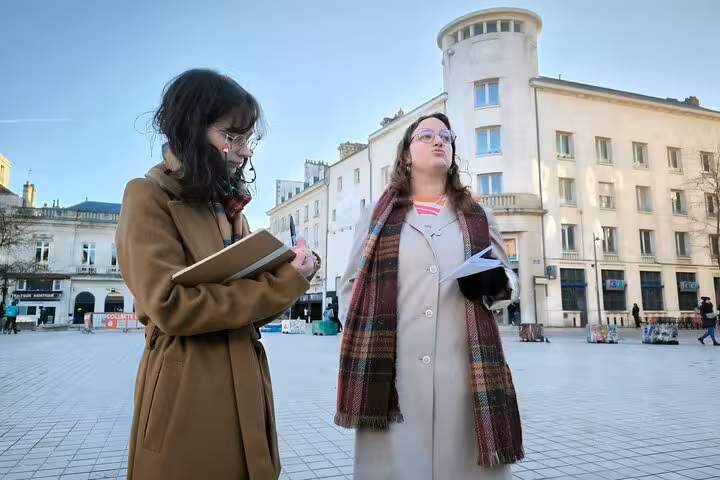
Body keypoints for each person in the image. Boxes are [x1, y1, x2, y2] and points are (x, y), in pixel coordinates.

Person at [116, 69, 319, 480]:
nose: (244, 151)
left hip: (245, 381)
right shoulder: (148, 196)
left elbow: (249, 307)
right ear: (192, 127)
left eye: (249, 139)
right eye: (233, 135)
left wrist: (292, 273)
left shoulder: (225, 207)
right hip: (187, 392)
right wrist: (283, 283)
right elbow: (171, 307)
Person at [336, 113, 523, 480]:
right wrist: (363, 338)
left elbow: (508, 284)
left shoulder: (479, 217)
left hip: (464, 376)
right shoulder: (377, 218)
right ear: (406, 155)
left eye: (446, 136)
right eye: (426, 135)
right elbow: (351, 287)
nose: (439, 141)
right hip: (392, 379)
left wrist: (495, 284)